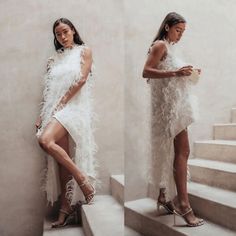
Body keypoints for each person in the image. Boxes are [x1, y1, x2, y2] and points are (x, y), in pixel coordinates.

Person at [142, 12, 204, 227]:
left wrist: (189, 72)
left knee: (172, 152)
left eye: (183, 32)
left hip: (175, 105)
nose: (180, 35)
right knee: (182, 152)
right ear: (167, 27)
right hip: (169, 109)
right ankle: (184, 205)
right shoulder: (160, 45)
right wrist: (176, 73)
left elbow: (169, 70)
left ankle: (163, 197)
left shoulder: (172, 47)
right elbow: (146, 72)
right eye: (178, 30)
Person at [35, 18, 97, 228]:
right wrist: (42, 116)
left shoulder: (84, 51)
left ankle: (82, 179)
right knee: (60, 161)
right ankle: (65, 207)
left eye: (65, 32)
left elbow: (81, 79)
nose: (62, 37)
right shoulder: (54, 60)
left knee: (45, 140)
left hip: (74, 107)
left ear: (73, 31)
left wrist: (62, 103)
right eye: (58, 34)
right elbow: (49, 90)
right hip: (54, 109)